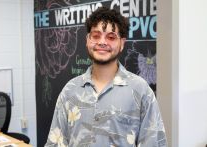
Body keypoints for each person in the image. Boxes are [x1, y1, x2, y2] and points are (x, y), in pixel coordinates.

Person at [45, 6, 167, 147]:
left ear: (121, 43)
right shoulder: (70, 90)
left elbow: (154, 143)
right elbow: (55, 143)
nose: (102, 42)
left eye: (111, 37)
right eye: (96, 35)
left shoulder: (141, 91)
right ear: (88, 40)